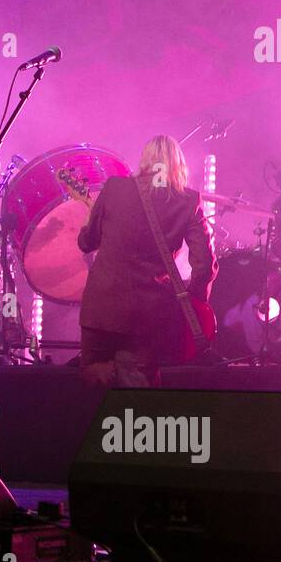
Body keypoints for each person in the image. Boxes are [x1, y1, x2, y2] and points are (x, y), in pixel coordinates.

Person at [76, 134, 216, 386]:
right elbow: (204, 265)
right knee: (141, 391)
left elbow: (87, 242)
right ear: (178, 165)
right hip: (149, 315)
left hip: (101, 309)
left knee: (92, 383)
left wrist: (90, 222)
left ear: (145, 161)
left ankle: (103, 396)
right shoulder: (188, 201)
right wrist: (194, 302)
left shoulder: (114, 188)